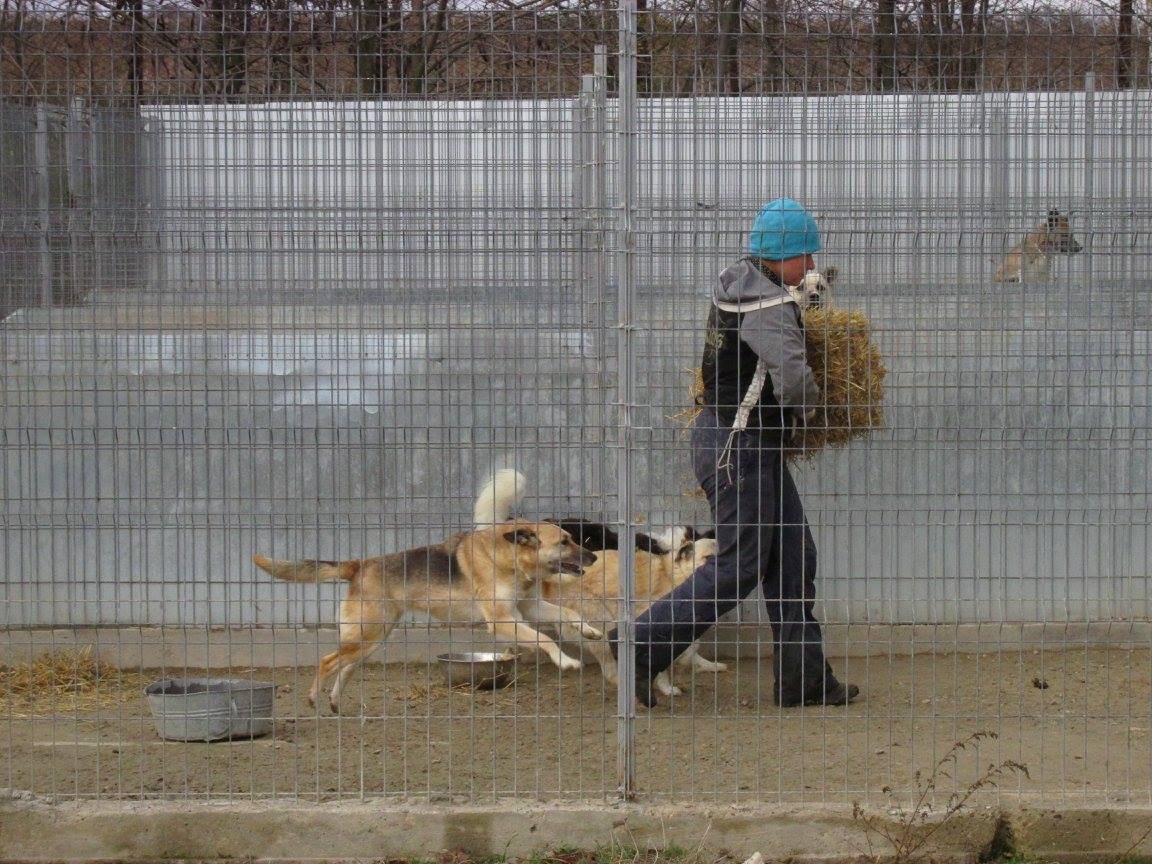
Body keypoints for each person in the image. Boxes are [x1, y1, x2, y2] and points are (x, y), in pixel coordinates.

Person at [611, 197, 859, 708]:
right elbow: (794, 379)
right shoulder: (768, 308)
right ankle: (638, 645)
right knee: (739, 566)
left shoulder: (741, 284)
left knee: (794, 556)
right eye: (806, 255)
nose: (813, 264)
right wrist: (814, 413)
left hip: (738, 440)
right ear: (783, 255)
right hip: (738, 449)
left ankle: (804, 679)